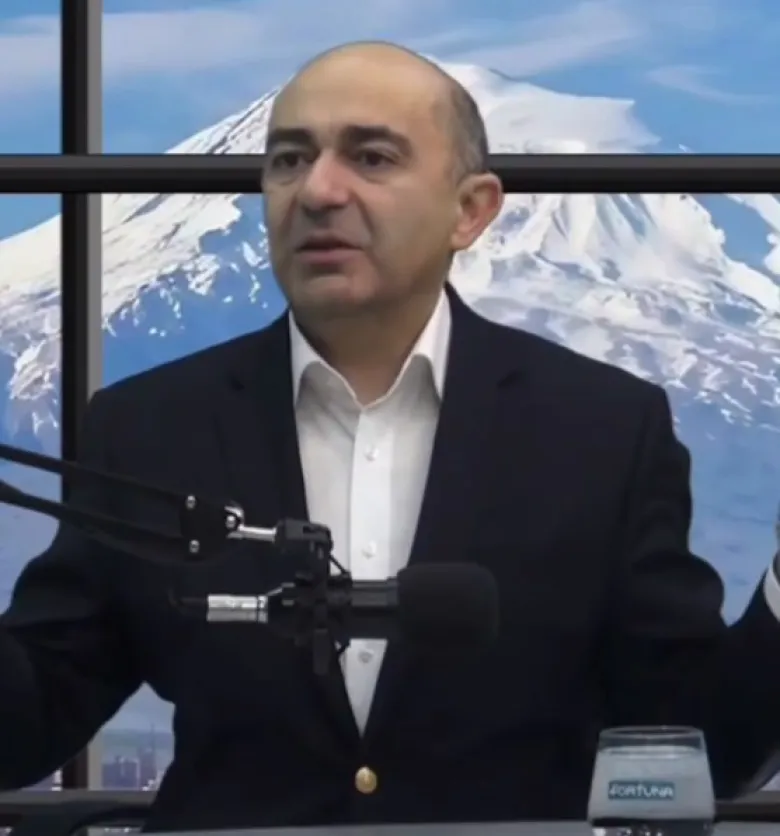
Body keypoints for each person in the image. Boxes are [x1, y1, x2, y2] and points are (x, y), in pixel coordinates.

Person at [1, 39, 780, 831]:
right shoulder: (149, 427)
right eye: (288, 160)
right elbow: (30, 720)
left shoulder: (603, 429)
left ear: (471, 211)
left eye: (371, 158)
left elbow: (703, 744)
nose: (318, 191)